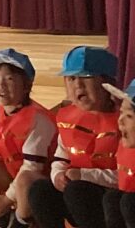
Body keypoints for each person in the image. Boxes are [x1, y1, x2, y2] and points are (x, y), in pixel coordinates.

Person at [28, 46, 121, 228]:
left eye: (87, 77)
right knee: (40, 190)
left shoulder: (126, 120)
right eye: (71, 78)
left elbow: (127, 174)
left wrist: (83, 175)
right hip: (77, 191)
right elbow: (61, 157)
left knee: (78, 190)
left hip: (112, 198)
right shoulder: (67, 117)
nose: (78, 85)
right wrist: (58, 175)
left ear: (108, 84)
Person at [0, 48, 56, 228]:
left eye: (9, 79)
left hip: (38, 185)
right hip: (14, 179)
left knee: (26, 177)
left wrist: (6, 199)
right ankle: (2, 217)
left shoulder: (38, 119)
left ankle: (20, 222)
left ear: (27, 86)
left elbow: (32, 168)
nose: (1, 86)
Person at [103, 80, 135, 228]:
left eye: (129, 116)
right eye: (121, 113)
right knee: (113, 198)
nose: (120, 121)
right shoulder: (124, 147)